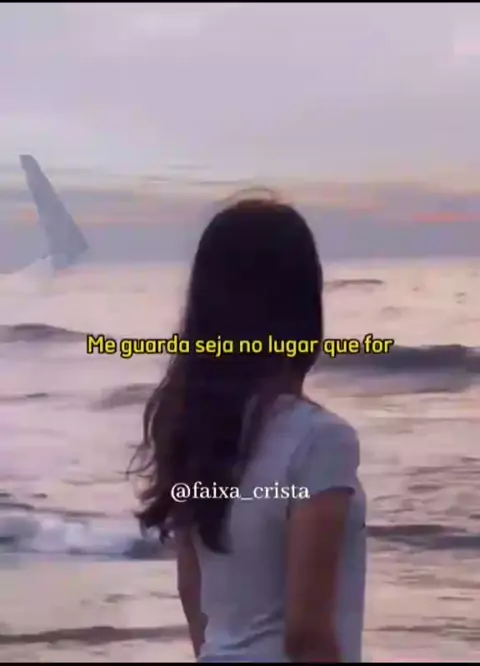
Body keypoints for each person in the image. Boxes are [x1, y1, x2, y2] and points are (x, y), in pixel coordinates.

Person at [130, 196, 366, 662]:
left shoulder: (195, 431)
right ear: (303, 308)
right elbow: (307, 636)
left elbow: (193, 595)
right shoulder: (320, 440)